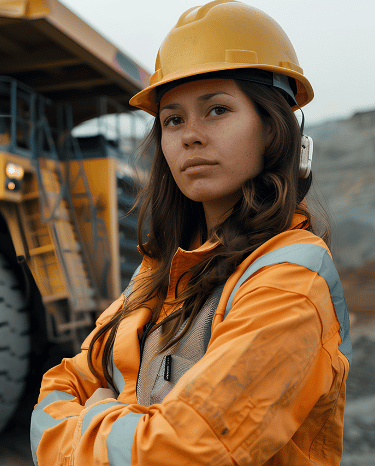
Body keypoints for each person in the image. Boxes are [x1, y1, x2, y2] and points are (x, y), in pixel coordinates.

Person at [30, 1, 351, 465]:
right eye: (173, 119)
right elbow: (59, 388)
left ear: (273, 129)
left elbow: (185, 450)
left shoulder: (290, 281)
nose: (190, 136)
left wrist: (96, 414)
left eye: (217, 109)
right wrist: (126, 425)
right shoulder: (161, 273)